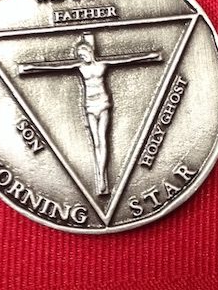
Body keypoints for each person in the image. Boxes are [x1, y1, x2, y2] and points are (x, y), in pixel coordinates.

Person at [18, 33, 161, 195]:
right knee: (96, 144)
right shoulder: (81, 67)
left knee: (103, 140)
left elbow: (127, 60)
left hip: (103, 104)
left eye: (83, 54)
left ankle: (102, 176)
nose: (81, 57)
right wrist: (31, 67)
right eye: (79, 55)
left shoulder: (102, 65)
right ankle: (101, 178)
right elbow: (56, 67)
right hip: (90, 107)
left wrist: (150, 56)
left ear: (89, 51)